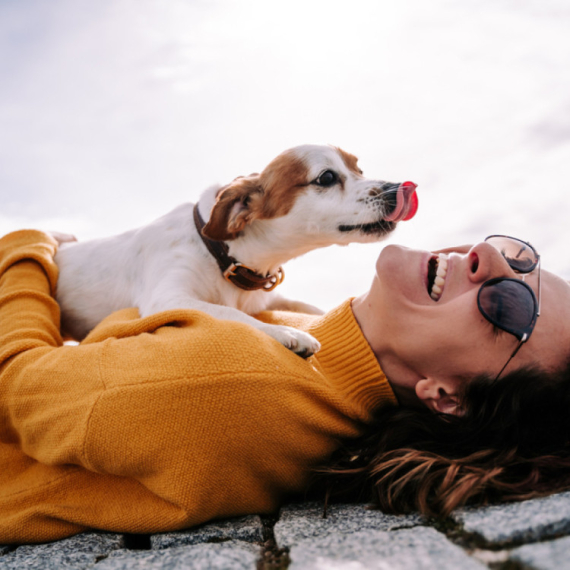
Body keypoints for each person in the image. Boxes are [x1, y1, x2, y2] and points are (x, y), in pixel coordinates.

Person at [0, 230, 569, 544]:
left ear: (446, 397)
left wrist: (28, 252)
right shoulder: (312, 338)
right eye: (521, 260)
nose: (489, 256)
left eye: (507, 305)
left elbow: (14, 384)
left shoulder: (228, 382)